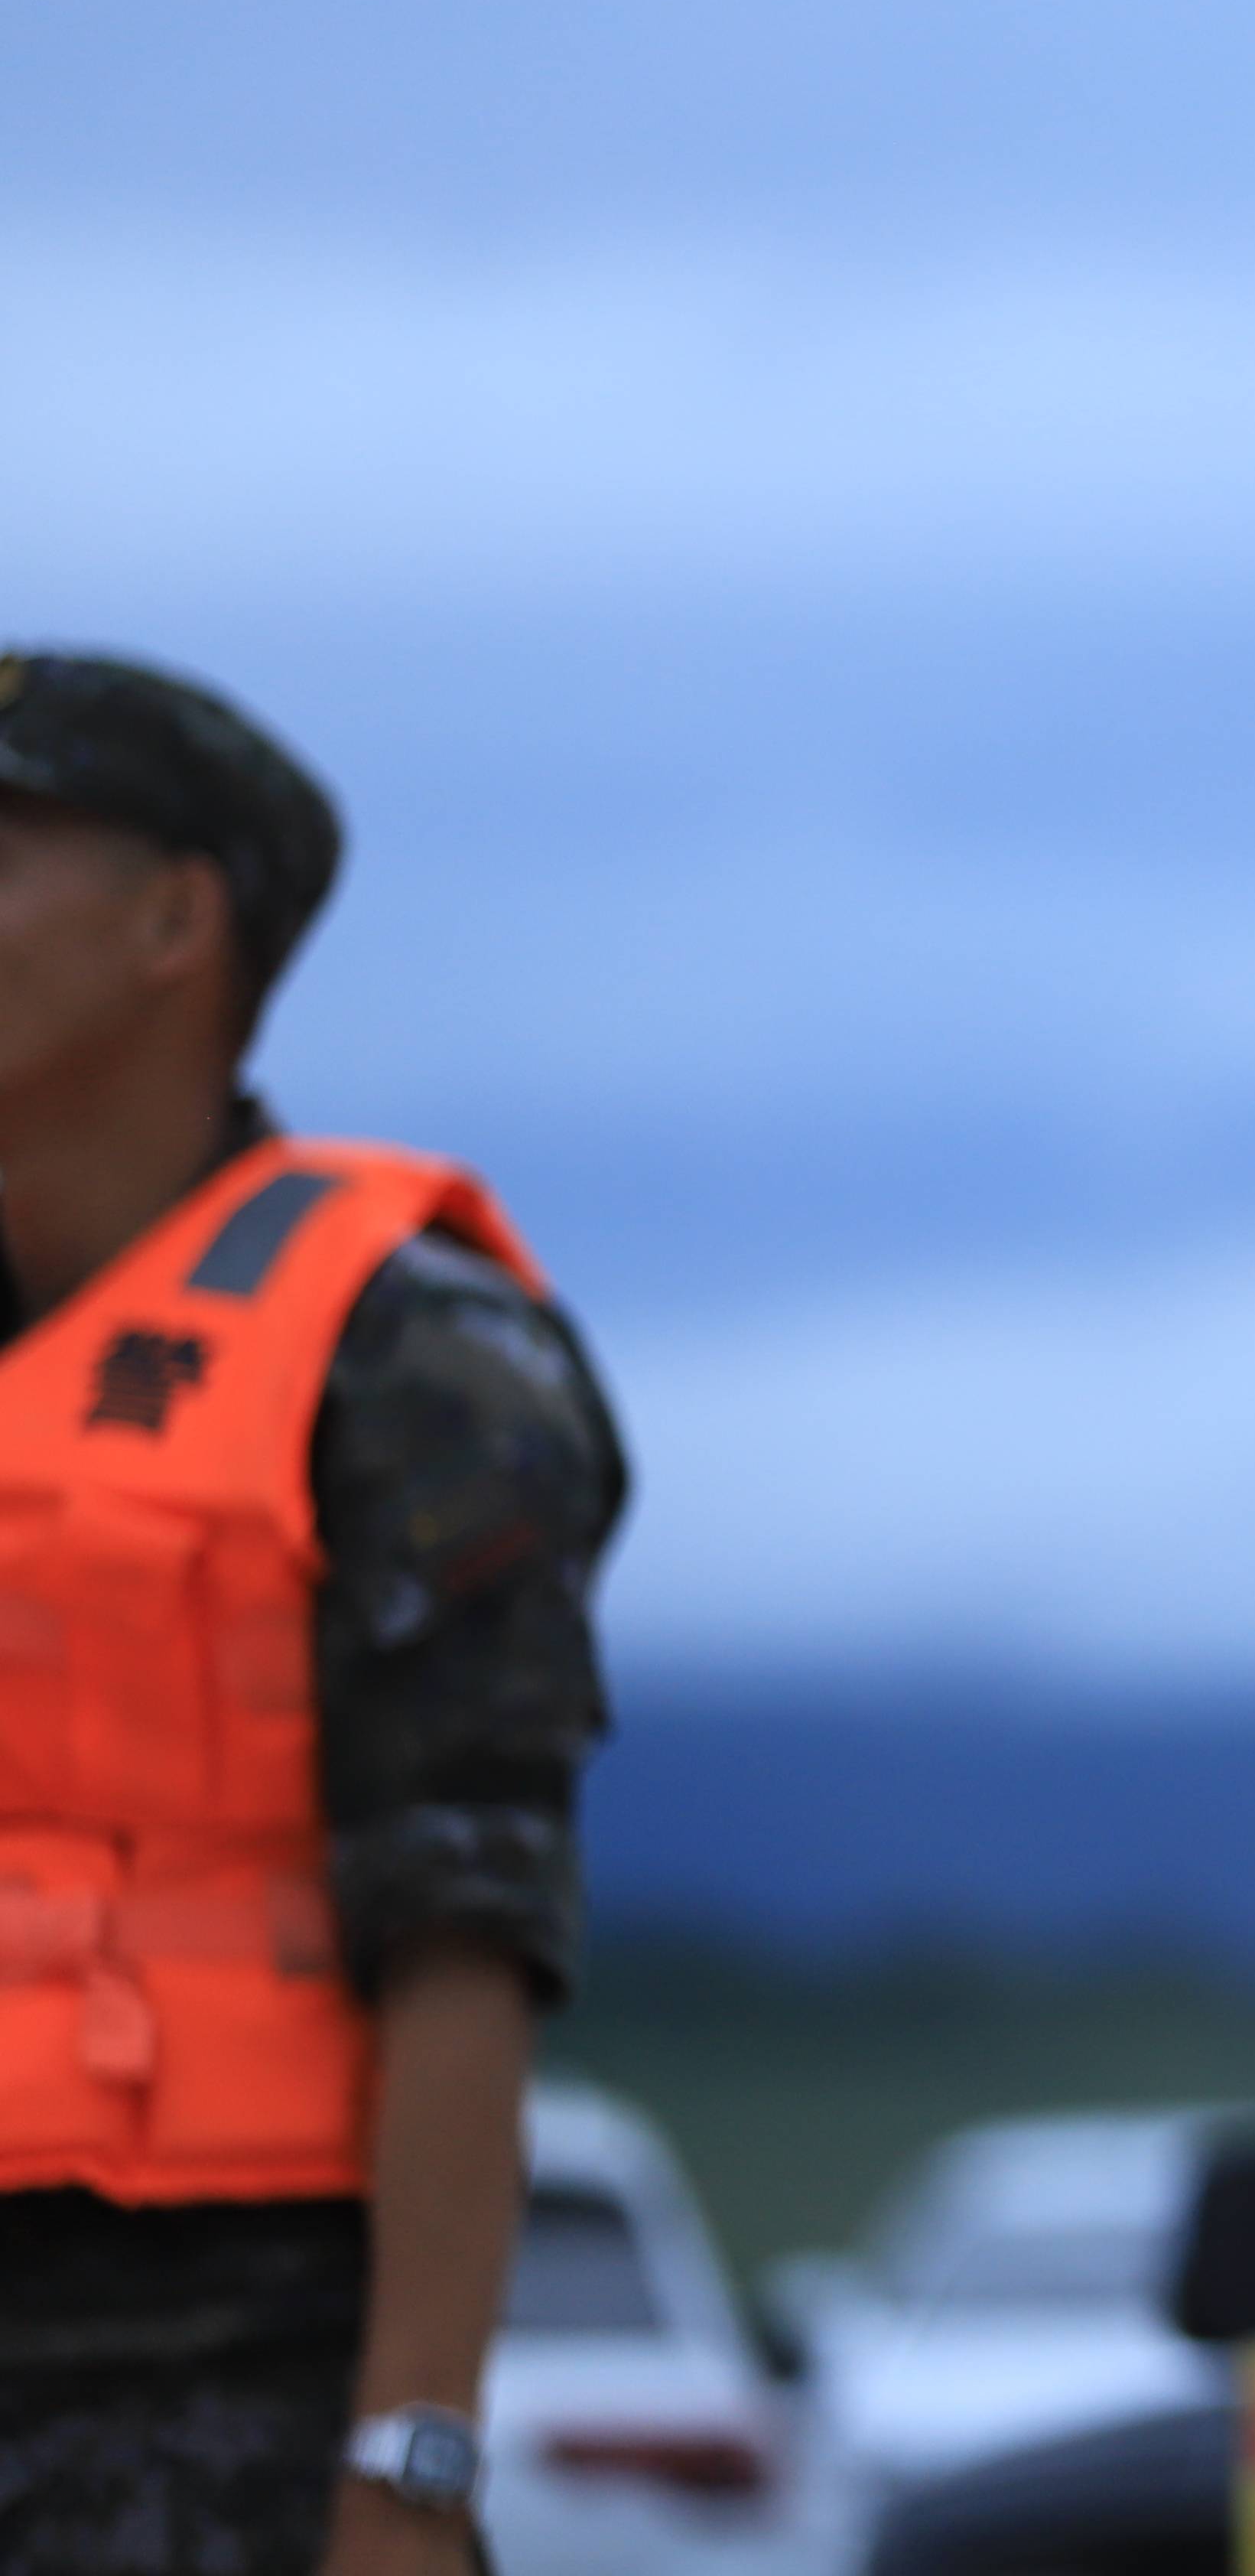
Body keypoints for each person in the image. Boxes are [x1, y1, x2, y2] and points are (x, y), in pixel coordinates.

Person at [0, 653, 629, 2576]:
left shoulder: (411, 1359)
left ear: (176, 921)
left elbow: (469, 1938)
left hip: (218, 2420)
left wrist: (406, 2469)